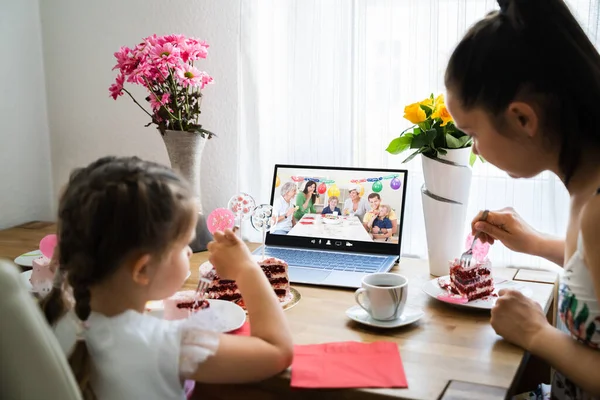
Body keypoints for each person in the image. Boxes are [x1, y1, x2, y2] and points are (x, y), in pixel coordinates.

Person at [444, 0, 600, 397]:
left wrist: (535, 333)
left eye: (473, 133)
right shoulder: (586, 184)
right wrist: (535, 243)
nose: (475, 151)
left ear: (522, 118)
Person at [40, 156, 293, 400]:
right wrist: (246, 268)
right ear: (143, 270)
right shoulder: (166, 344)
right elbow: (277, 351)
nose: (189, 252)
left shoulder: (53, 316)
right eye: (184, 245)